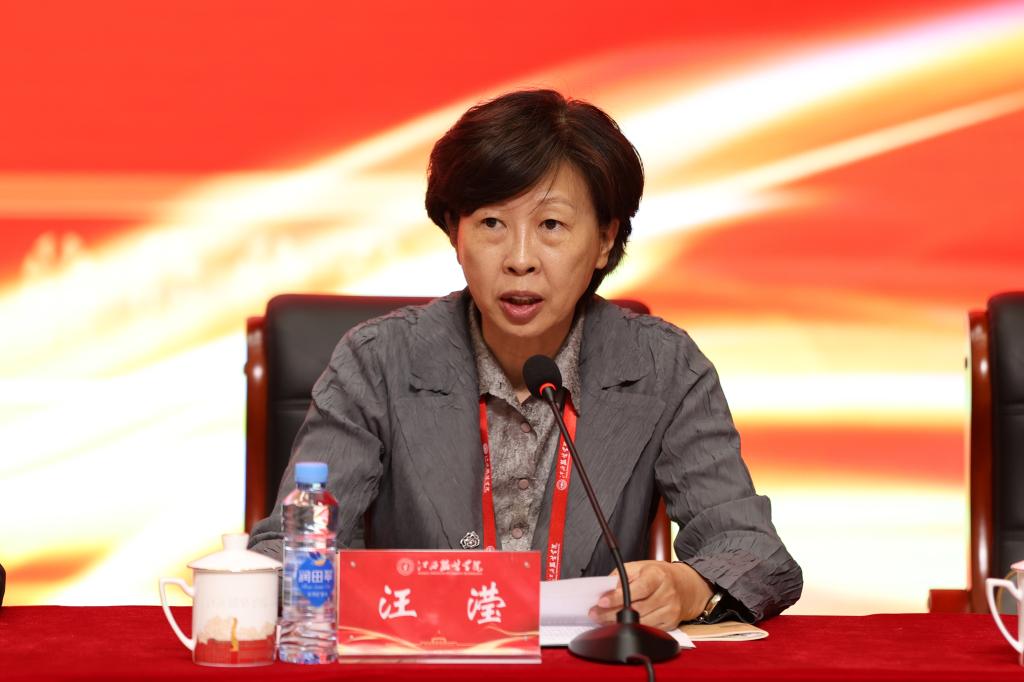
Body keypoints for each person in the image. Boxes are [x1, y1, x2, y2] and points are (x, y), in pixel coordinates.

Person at [249, 89, 802, 629]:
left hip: (590, 667)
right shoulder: (377, 361)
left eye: (551, 225)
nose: (519, 260)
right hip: (424, 662)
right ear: (455, 233)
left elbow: (755, 551)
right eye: (492, 223)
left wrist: (688, 586)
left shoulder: (663, 366)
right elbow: (287, 550)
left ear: (604, 239)